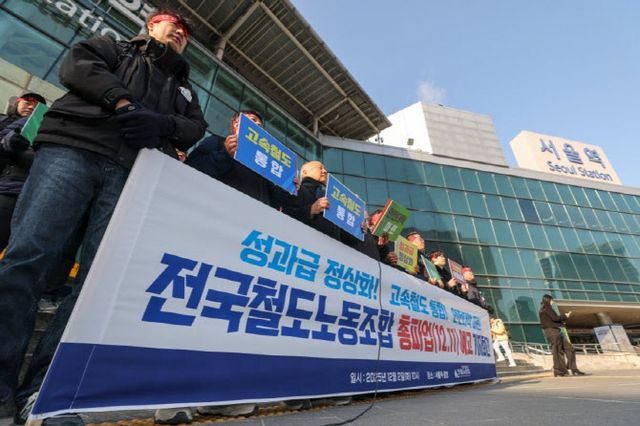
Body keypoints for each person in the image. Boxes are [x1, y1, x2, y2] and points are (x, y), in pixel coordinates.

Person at [0, 9, 207, 424]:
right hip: (72, 150)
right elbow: (78, 67)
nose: (180, 33)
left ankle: (45, 392)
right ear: (152, 26)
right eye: (174, 25)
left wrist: (158, 122)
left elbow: (193, 128)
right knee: (28, 257)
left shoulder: (185, 90)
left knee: (94, 282)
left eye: (186, 33)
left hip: (132, 172)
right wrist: (123, 103)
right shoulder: (114, 48)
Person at [186, 110, 286, 209]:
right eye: (253, 120)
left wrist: (288, 183)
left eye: (260, 125)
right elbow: (192, 169)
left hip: (254, 216)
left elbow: (275, 202)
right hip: (218, 209)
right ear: (236, 124)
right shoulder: (217, 142)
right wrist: (225, 154)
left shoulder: (264, 163)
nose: (258, 124)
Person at [0, 93, 46, 249]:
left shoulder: (39, 132)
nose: (32, 106)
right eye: (28, 102)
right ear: (17, 102)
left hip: (12, 187)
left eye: (37, 106)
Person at [283, 160, 341, 241]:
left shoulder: (334, 202)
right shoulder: (297, 189)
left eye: (325, 169)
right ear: (305, 172)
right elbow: (285, 217)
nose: (324, 171)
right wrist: (311, 210)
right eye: (320, 168)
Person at [539, 294, 585, 377]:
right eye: (551, 300)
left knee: (570, 349)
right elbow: (555, 318)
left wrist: (562, 320)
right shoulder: (547, 308)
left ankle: (573, 369)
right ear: (547, 300)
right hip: (552, 331)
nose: (552, 302)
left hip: (555, 331)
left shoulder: (546, 309)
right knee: (557, 350)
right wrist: (565, 316)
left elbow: (553, 320)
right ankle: (559, 370)